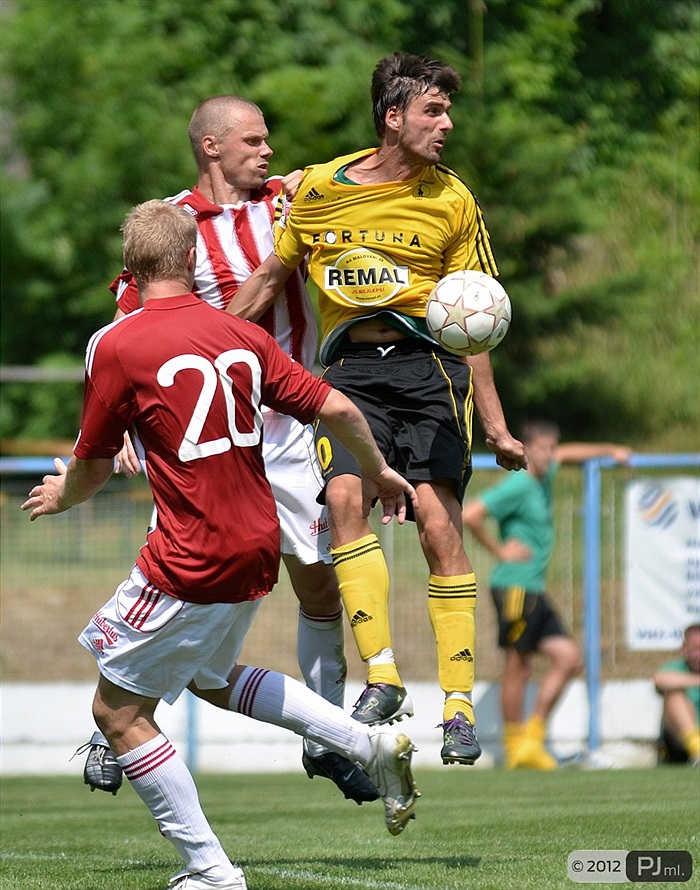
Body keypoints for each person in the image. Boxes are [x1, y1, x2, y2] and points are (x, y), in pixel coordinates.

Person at [22, 200, 420, 890]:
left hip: (189, 554)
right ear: (194, 261)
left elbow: (91, 466)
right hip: (258, 542)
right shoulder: (239, 333)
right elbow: (336, 406)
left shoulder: (118, 343)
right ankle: (367, 742)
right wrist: (380, 469)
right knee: (210, 678)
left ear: (131, 269)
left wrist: (62, 496)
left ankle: (209, 870)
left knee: (116, 715)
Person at [230, 52, 527, 767]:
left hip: (431, 372)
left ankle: (458, 710)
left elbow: (474, 318)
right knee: (342, 502)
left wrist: (496, 424)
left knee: (437, 528)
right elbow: (271, 276)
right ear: (392, 117)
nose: (446, 124)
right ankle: (384, 675)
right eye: (433, 111)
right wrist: (209, 341)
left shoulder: (453, 198)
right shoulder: (324, 187)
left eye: (447, 112)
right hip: (351, 371)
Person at [84, 95, 376, 805]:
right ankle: (110, 729)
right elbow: (125, 333)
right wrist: (120, 425)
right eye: (252, 140)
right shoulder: (172, 224)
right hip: (208, 434)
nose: (267, 151)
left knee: (319, 581)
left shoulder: (293, 203)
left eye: (269, 139)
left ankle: (324, 739)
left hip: (293, 425)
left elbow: (367, 187)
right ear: (210, 147)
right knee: (172, 571)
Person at [462, 419, 632, 769]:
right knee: (518, 665)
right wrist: (500, 551)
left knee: (570, 658)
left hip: (534, 588)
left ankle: (533, 739)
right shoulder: (519, 484)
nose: (549, 454)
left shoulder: (547, 474)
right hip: (514, 585)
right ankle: (514, 748)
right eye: (541, 447)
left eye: (552, 447)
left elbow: (572, 452)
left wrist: (611, 449)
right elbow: (472, 514)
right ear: (525, 448)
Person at [654, 624, 700, 765]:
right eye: (695, 649)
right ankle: (697, 750)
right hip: (679, 744)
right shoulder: (676, 668)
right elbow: (659, 680)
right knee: (673, 696)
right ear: (685, 647)